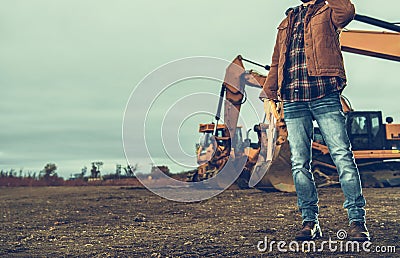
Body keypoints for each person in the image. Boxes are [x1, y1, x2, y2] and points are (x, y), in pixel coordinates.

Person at [260, 0, 370, 241]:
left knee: (342, 157)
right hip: (292, 99)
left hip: (324, 94)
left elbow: (348, 11)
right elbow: (277, 60)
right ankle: (310, 222)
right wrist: (269, 95)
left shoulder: (329, 10)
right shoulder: (287, 20)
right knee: (299, 163)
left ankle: (357, 222)